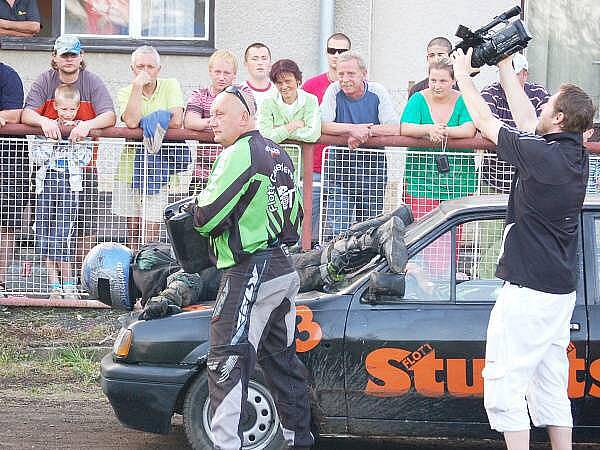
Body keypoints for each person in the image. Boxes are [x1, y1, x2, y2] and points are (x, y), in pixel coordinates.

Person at [452, 47, 596, 450]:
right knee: (550, 383)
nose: (541, 106)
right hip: (558, 292)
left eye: (548, 104)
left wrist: (464, 74)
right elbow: (529, 123)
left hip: (529, 292)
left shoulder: (542, 157)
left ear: (561, 118)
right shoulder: (570, 155)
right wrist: (503, 67)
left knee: (504, 384)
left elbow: (484, 120)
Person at [188, 86, 313, 449]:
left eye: (220, 114)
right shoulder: (279, 153)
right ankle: (298, 440)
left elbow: (206, 216)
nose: (213, 121)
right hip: (283, 269)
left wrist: (198, 212)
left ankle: (226, 445)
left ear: (244, 117)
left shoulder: (238, 153)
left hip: (248, 271)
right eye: (211, 113)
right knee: (283, 362)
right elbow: (295, 219)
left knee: (226, 359)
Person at [22, 35, 116, 273]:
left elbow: (109, 115)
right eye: (64, 55)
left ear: (81, 56)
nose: (69, 59)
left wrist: (87, 125)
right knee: (47, 223)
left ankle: (83, 279)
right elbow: (27, 113)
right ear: (54, 57)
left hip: (83, 168)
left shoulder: (92, 81)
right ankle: (56, 280)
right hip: (49, 169)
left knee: (85, 225)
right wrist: (44, 121)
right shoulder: (45, 80)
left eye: (73, 54)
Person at [477, 53, 550, 278]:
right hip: (494, 179)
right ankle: (483, 279)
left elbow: (541, 128)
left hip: (526, 184)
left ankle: (494, 277)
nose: (505, 78)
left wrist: (508, 137)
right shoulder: (491, 92)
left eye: (511, 73)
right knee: (489, 238)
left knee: (513, 235)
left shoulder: (538, 93)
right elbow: (483, 124)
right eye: (502, 72)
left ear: (524, 74)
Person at [320, 51, 400, 239]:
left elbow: (394, 127)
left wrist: (365, 133)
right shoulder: (333, 90)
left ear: (364, 74)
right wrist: (351, 130)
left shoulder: (377, 91)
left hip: (372, 173)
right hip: (340, 174)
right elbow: (322, 124)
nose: (345, 79)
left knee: (370, 231)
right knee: (339, 232)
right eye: (341, 74)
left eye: (351, 74)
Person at [113, 45, 184, 249]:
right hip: (129, 169)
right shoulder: (126, 91)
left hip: (158, 168)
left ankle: (148, 274)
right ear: (132, 69)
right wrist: (137, 88)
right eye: (140, 66)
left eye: (150, 66)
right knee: (133, 233)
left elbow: (177, 120)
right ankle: (133, 278)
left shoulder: (170, 85)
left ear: (159, 69)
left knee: (150, 233)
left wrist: (149, 120)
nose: (145, 71)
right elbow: (132, 122)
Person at [29, 84, 92, 300]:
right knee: (44, 231)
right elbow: (37, 157)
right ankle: (54, 285)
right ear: (55, 107)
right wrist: (50, 140)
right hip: (46, 184)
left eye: (72, 110)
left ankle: (69, 284)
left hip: (69, 184)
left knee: (63, 233)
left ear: (77, 108)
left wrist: (76, 142)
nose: (67, 114)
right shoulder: (46, 128)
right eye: (63, 110)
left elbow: (86, 159)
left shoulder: (82, 129)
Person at [401, 58, 476, 219]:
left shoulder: (463, 99)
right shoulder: (417, 99)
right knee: (423, 230)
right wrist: (428, 129)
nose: (437, 85)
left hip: (457, 179)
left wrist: (443, 131)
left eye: (443, 81)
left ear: (453, 81)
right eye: (433, 80)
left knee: (453, 233)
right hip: (422, 178)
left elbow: (469, 129)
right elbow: (405, 127)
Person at [302, 32, 351, 243]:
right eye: (332, 50)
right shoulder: (311, 86)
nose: (337, 55)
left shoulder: (359, 85)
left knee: (338, 232)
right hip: (314, 167)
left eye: (342, 51)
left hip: (345, 170)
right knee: (306, 226)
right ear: (326, 53)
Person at [184, 49, 251, 194]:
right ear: (210, 72)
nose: (221, 77)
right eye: (217, 72)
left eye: (226, 73)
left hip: (236, 168)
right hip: (203, 172)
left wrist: (206, 123)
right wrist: (222, 121)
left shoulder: (243, 91)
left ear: (234, 74)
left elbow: (247, 119)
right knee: (198, 213)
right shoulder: (200, 94)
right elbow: (190, 121)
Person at [0, 62, 25, 297]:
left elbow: (13, 114)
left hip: (8, 161)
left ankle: (1, 282)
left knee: (7, 223)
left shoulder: (8, 75)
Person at [257, 58, 320, 144]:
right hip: (274, 156)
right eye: (279, 83)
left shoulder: (311, 100)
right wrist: (292, 126)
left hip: (300, 156)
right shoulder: (267, 102)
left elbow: (313, 134)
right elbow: (264, 137)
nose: (284, 86)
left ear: (297, 80)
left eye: (288, 81)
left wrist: (278, 130)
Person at [242, 42, 278, 107]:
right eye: (255, 59)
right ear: (245, 63)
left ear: (270, 63)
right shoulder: (239, 92)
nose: (260, 63)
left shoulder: (279, 92)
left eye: (264, 58)